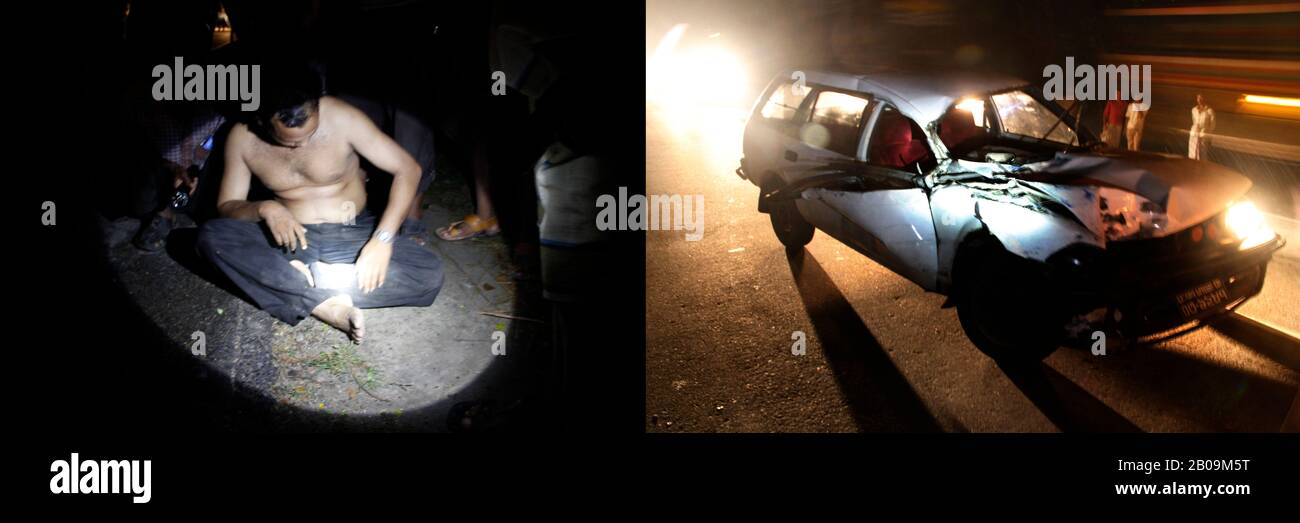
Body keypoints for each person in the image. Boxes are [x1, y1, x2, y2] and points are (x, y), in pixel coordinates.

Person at [197, 64, 443, 343]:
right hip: (288, 238)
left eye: (310, 134)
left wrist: (383, 240)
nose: (301, 146)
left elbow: (408, 169)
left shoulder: (341, 116)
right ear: (261, 119)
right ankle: (324, 305)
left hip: (351, 232)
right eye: (289, 142)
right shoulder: (241, 138)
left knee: (429, 274)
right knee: (212, 237)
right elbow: (227, 206)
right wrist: (265, 208)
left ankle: (304, 282)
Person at [1189, 94, 1215, 160]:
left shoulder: (1210, 111)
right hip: (1194, 135)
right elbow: (1194, 121)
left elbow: (1212, 126)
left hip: (1203, 135)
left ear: (1205, 99)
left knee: (1202, 155)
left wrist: (1210, 138)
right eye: (1198, 98)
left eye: (1201, 98)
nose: (1200, 100)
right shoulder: (1194, 110)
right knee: (1192, 154)